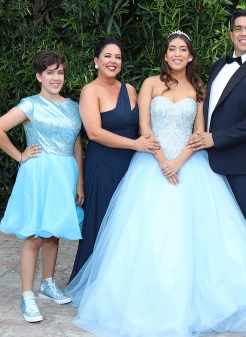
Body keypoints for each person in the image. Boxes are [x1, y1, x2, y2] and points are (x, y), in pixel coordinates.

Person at [66, 31, 246, 337]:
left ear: (190, 56)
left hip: (191, 166)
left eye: (183, 50)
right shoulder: (150, 84)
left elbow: (200, 133)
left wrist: (178, 162)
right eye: (171, 49)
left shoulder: (199, 87)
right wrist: (164, 162)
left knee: (197, 237)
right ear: (165, 55)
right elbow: (144, 129)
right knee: (147, 237)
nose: (177, 54)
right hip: (151, 165)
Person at [0, 51, 84, 323]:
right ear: (39, 76)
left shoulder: (74, 107)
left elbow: (76, 143)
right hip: (39, 173)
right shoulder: (30, 105)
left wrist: (79, 180)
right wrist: (19, 156)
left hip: (65, 173)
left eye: (60, 72)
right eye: (50, 72)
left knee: (53, 233)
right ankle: (27, 297)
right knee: (35, 236)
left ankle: (47, 284)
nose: (56, 77)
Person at [187, 9, 246, 254]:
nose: (244, 33)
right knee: (215, 231)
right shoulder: (218, 66)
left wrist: (214, 138)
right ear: (231, 34)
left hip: (243, 166)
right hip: (209, 165)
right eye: (239, 28)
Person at [68, 39, 160, 283]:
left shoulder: (129, 89)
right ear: (96, 61)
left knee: (128, 224)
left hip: (132, 166)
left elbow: (144, 124)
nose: (113, 61)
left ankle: (124, 283)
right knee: (102, 223)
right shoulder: (90, 90)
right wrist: (134, 144)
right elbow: (94, 133)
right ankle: (96, 282)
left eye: (118, 57)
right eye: (107, 56)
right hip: (103, 165)